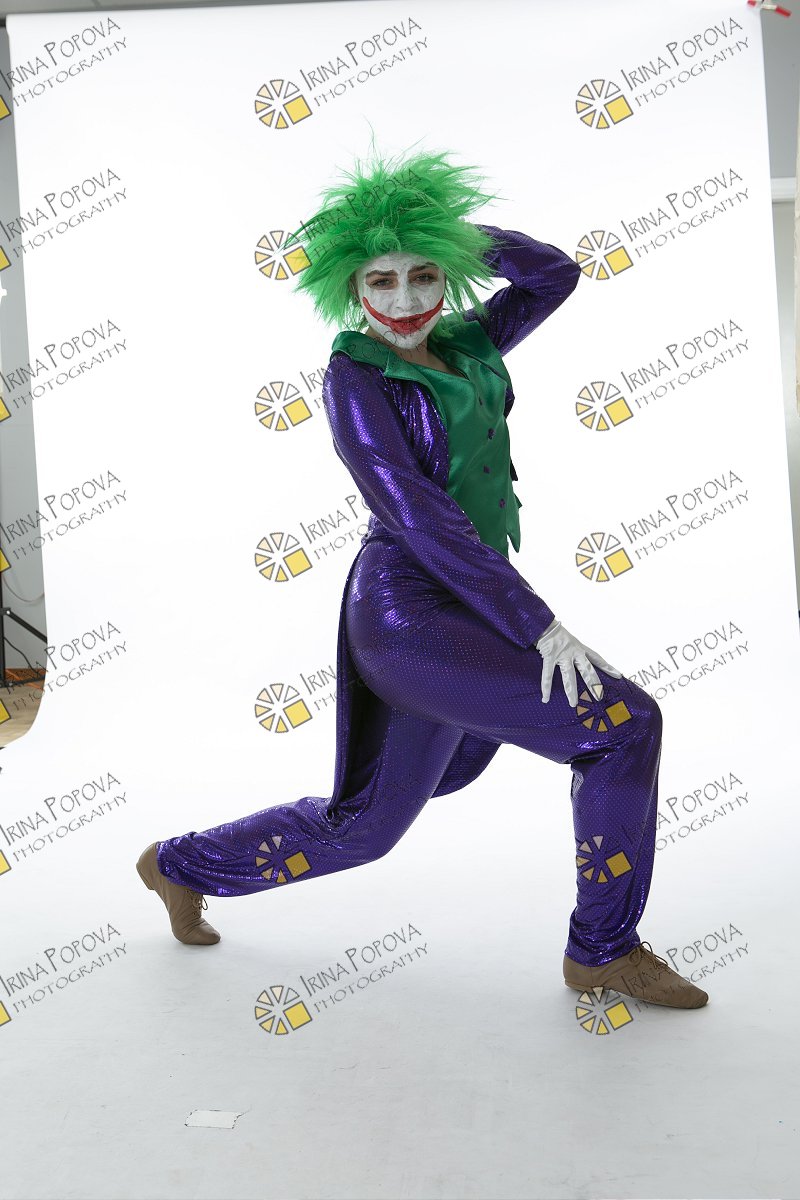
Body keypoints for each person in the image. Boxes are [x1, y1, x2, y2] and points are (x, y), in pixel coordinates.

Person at [137, 147, 708, 1010]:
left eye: (423, 275)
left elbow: (554, 274)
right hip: (407, 615)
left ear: (447, 276)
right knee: (623, 726)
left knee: (364, 828)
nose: (404, 301)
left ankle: (180, 864)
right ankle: (602, 951)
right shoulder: (355, 377)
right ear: (351, 289)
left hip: (469, 597)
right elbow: (416, 513)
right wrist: (537, 623)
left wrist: (451, 232)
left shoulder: (470, 342)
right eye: (381, 280)